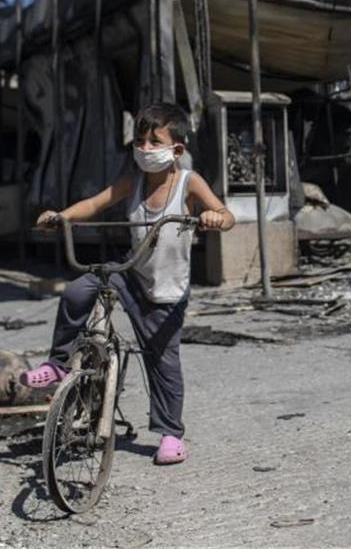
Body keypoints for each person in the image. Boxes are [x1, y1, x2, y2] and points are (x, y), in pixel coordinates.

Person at [23, 102, 235, 466]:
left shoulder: (189, 181)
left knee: (162, 360)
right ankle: (59, 363)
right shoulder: (131, 180)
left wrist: (215, 217)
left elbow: (227, 215)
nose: (145, 149)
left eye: (155, 142)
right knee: (78, 290)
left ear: (177, 149)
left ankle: (170, 434)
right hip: (131, 271)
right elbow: (94, 203)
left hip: (167, 286)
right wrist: (61, 217)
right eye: (140, 141)